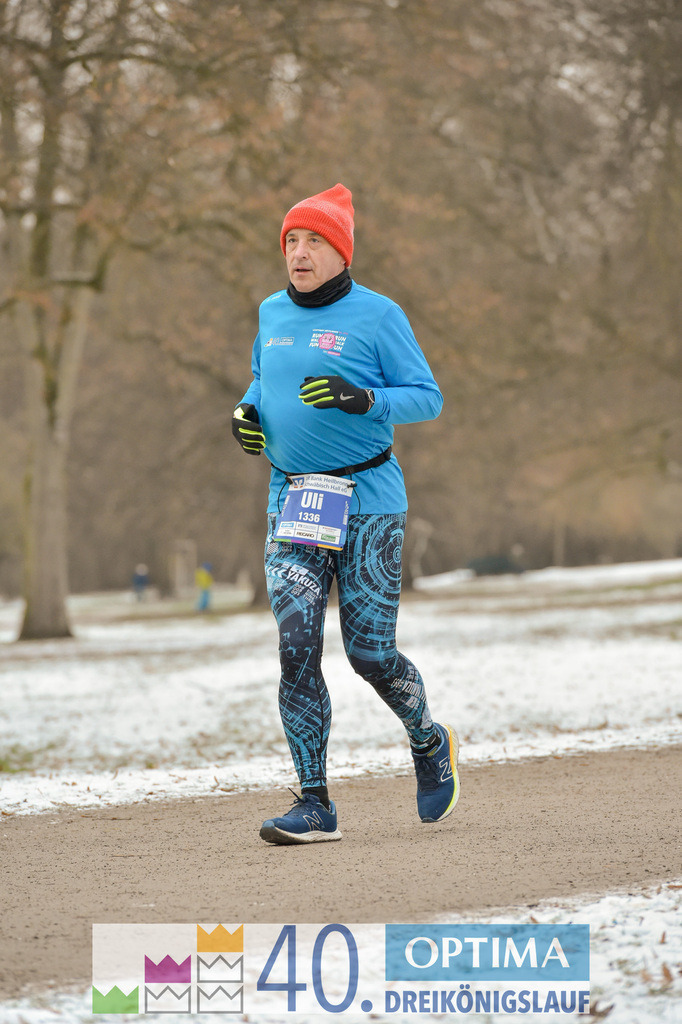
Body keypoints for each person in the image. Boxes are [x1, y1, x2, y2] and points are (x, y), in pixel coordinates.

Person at [232, 183, 459, 845]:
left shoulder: (380, 316)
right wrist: (247, 411)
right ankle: (314, 803)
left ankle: (428, 739)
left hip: (368, 502)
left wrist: (364, 399)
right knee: (297, 648)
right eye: (291, 241)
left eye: (314, 241)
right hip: (294, 501)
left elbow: (427, 398)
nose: (299, 253)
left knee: (369, 653)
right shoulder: (271, 312)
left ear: (341, 253)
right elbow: (262, 379)